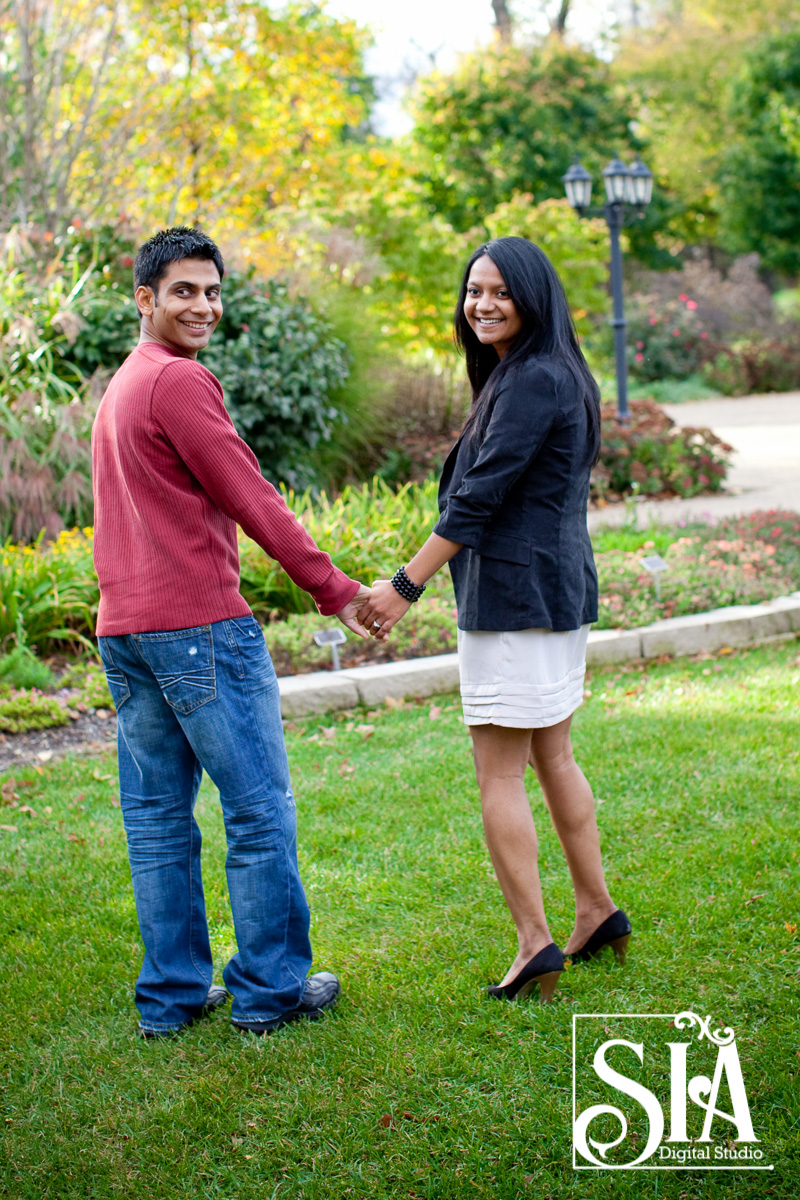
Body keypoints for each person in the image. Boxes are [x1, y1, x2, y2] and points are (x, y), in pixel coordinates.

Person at [92, 227, 373, 1038]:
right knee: (258, 810)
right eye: (183, 291)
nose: (204, 306)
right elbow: (252, 498)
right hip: (198, 629)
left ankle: (173, 998)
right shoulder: (179, 383)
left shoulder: (124, 385)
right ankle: (270, 992)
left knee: (157, 819)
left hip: (128, 634)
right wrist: (333, 587)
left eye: (213, 291)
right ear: (144, 299)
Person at [359, 236, 630, 1003]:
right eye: (474, 290)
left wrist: (402, 587)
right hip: (553, 594)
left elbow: (476, 501)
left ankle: (534, 943)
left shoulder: (531, 379)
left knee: (501, 774)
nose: (481, 303)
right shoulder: (554, 371)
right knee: (555, 758)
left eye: (500, 292)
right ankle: (596, 910)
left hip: (517, 603)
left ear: (533, 298)